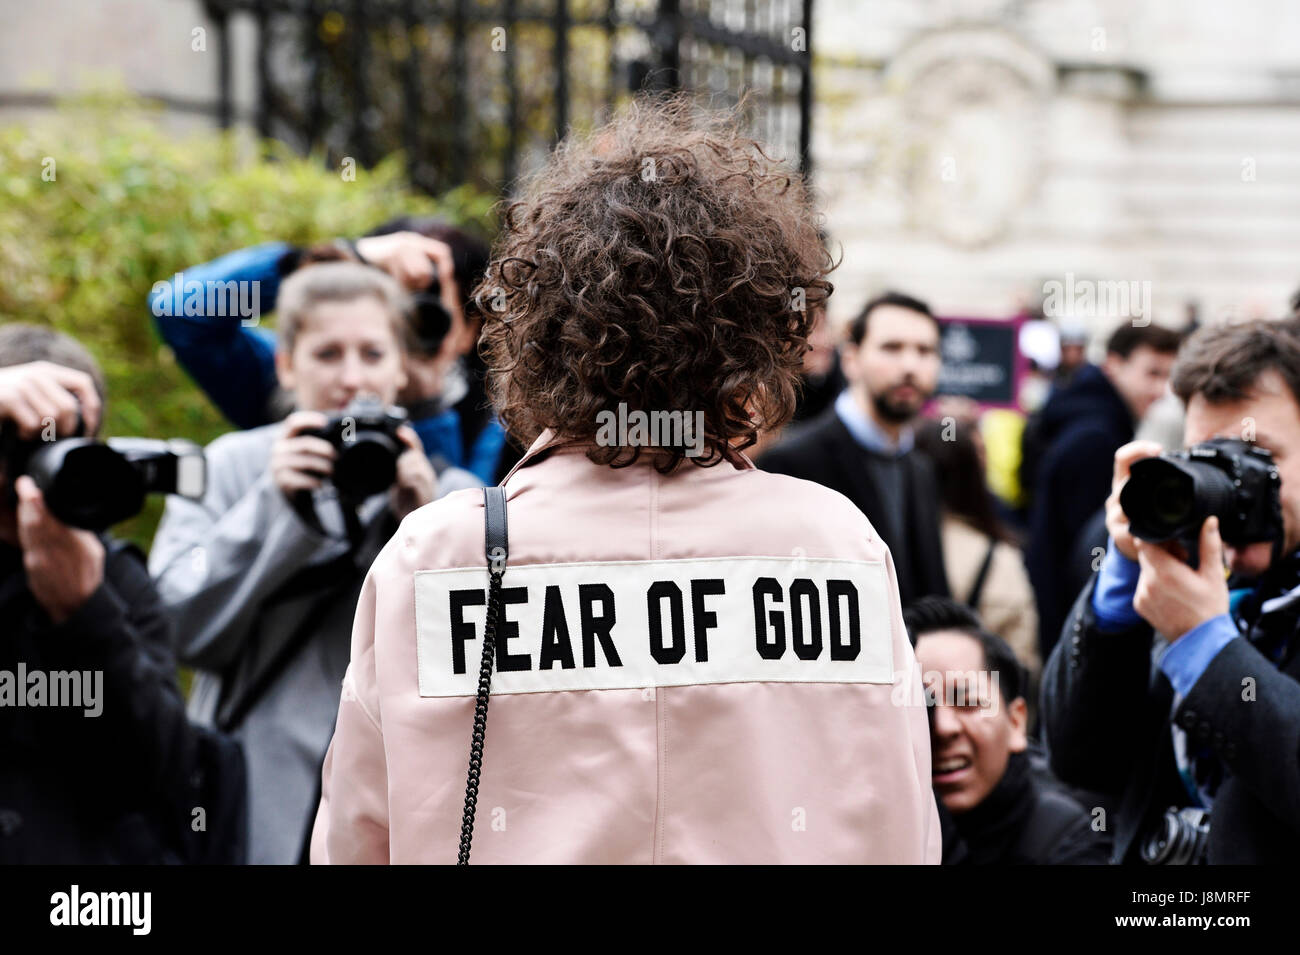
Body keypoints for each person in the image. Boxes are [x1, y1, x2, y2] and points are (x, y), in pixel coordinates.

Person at [311, 97, 940, 864]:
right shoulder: (837, 547)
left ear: (543, 327)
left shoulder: (436, 555)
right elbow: (902, 828)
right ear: (755, 336)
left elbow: (357, 838)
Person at [149, 262, 449, 864]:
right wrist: (270, 509)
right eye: (328, 353)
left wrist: (426, 525)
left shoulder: (446, 491)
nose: (352, 377)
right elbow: (171, 626)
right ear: (287, 364)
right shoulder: (234, 465)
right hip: (251, 788)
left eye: (372, 353)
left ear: (401, 367)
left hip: (387, 790)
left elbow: (470, 664)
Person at [1041, 320, 1300, 864]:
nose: (1235, 484)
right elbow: (1080, 761)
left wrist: (1207, 648)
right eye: (1212, 458)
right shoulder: (1182, 577)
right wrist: (1119, 593)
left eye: (1261, 457)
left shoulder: (1193, 609)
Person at [0, 327, 243, 863]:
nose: (29, 472)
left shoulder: (114, 578)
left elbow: (160, 776)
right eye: (11, 440)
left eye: (57, 444)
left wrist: (85, 613)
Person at [148, 217, 508, 484]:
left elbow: (462, 544)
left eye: (425, 315)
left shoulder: (496, 422)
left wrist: (428, 406)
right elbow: (180, 309)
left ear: (470, 330)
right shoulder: (301, 375)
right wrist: (332, 259)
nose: (352, 378)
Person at [759, 292, 950, 606]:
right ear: (851, 359)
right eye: (892, 348)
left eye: (925, 351)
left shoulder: (921, 470)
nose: (910, 365)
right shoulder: (790, 464)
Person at [906, 596, 1111, 865]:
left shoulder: (1067, 838)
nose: (944, 727)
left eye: (967, 702)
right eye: (924, 707)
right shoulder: (880, 826)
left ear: (1016, 722)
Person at [1025, 323, 1181, 659]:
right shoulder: (1098, 440)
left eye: (1167, 376)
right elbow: (1087, 553)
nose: (1160, 389)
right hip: (1068, 622)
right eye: (1151, 373)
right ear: (1113, 364)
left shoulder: (1088, 418)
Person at [914, 418, 1040, 695]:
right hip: (979, 711)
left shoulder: (882, 546)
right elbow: (1022, 664)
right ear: (974, 473)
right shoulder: (1002, 558)